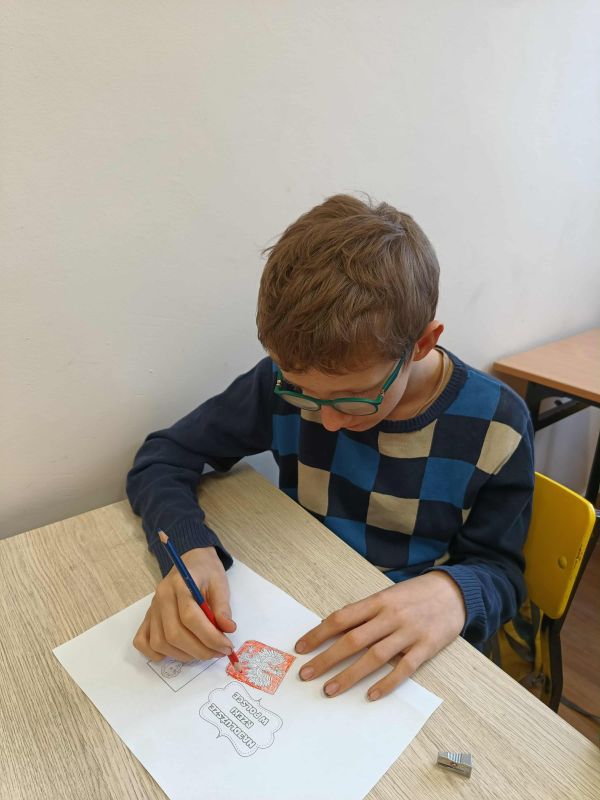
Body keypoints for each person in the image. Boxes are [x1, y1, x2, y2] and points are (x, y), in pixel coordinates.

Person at [126, 193, 534, 701]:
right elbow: (164, 457)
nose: (329, 421)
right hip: (302, 596)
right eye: (304, 395)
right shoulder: (279, 384)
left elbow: (502, 573)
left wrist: (454, 592)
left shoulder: (498, 423)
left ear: (422, 344)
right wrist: (189, 549)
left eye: (355, 399)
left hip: (411, 645)